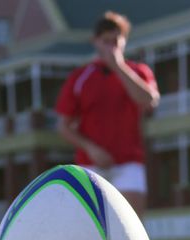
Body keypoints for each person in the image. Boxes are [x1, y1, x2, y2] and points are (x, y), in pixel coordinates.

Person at [56, 11, 159, 218]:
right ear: (95, 42)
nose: (111, 46)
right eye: (106, 41)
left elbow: (149, 101)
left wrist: (117, 66)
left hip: (129, 163)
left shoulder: (139, 72)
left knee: (132, 226)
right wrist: (91, 149)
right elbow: (63, 126)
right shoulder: (80, 77)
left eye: (116, 40)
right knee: (88, 228)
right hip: (90, 164)